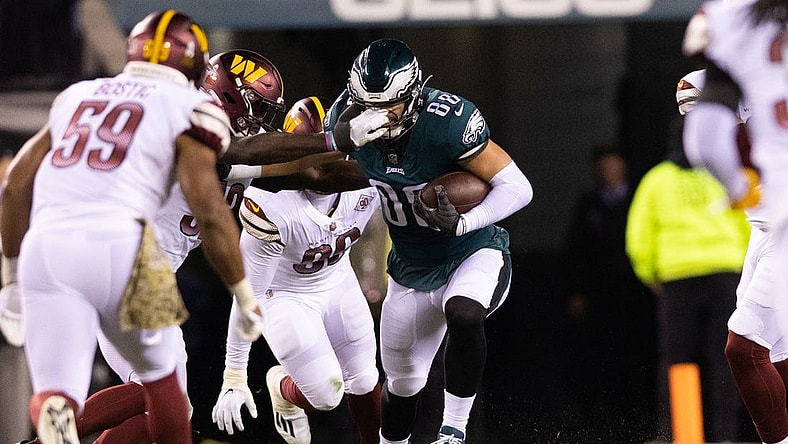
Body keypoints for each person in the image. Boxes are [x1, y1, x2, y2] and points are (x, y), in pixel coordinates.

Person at [0, 10, 267, 444]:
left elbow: (15, 184)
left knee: (58, 394)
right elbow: (209, 209)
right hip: (122, 248)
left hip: (45, 248)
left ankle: (53, 416)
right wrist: (243, 292)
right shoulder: (190, 107)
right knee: (168, 396)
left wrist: (11, 278)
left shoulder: (79, 95)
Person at [323, 38, 533, 444]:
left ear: (412, 94)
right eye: (366, 106)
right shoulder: (344, 121)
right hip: (409, 268)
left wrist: (464, 223)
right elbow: (320, 169)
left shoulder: (447, 122)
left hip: (470, 251)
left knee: (465, 313)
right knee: (402, 387)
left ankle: (452, 431)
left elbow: (518, 187)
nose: (376, 117)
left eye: (388, 106)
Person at [212, 95, 384, 444]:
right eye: (308, 157)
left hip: (337, 279)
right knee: (326, 394)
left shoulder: (365, 184)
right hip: (284, 295)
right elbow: (248, 294)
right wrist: (235, 371)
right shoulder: (272, 204)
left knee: (365, 379)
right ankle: (281, 388)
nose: (319, 168)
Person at [681, 2, 788, 441]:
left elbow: (704, 140)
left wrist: (736, 185)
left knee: (744, 344)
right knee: (776, 350)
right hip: (768, 224)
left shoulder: (727, 18)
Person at [625, 72, 752, 442]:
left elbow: (638, 238)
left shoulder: (657, 180)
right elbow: (750, 225)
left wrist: (651, 275)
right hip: (726, 275)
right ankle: (725, 436)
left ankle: (683, 435)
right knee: (724, 358)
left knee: (678, 361)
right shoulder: (726, 172)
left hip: (676, 279)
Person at [563, 142, 656, 441]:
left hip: (640, 295)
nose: (607, 171)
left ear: (623, 166)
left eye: (612, 164)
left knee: (644, 358)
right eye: (601, 166)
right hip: (601, 297)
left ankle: (647, 421)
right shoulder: (589, 205)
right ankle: (612, 424)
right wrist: (577, 292)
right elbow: (576, 253)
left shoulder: (641, 198)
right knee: (606, 360)